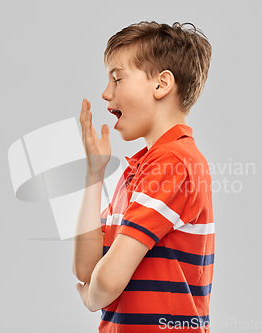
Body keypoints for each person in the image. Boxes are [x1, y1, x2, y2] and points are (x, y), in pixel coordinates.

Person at [73, 21, 214, 332]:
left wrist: (90, 299)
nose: (106, 92)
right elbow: (86, 268)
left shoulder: (174, 162)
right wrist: (94, 174)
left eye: (117, 78)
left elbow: (105, 282)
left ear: (161, 85)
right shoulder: (137, 170)